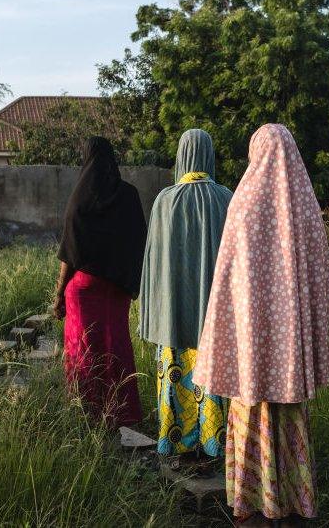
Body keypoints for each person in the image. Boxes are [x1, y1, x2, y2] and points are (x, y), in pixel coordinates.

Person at [193, 124, 329, 525]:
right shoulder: (308, 210)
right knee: (289, 418)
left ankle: (253, 501)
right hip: (290, 356)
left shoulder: (243, 202)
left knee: (250, 417)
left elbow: (228, 283)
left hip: (251, 355)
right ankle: (294, 502)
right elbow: (318, 284)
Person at [139, 129, 233, 464]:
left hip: (174, 314)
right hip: (217, 316)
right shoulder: (227, 198)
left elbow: (153, 263)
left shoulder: (165, 200)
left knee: (176, 373)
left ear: (180, 155)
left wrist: (151, 311)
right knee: (216, 379)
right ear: (209, 155)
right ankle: (214, 441)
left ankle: (175, 439)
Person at [53, 136, 147, 427]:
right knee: (116, 344)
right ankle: (122, 412)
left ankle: (87, 412)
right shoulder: (129, 196)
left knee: (84, 347)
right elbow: (140, 242)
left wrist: (58, 294)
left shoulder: (80, 198)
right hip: (118, 288)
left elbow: (70, 250)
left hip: (84, 288)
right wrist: (133, 284)